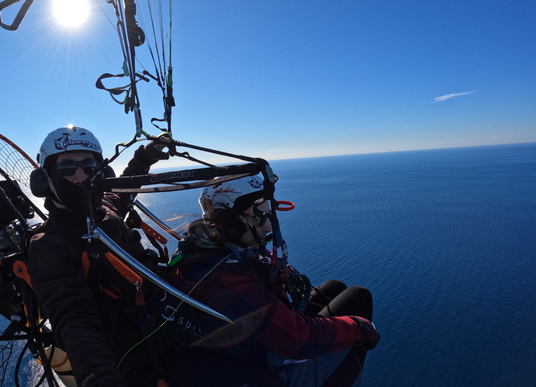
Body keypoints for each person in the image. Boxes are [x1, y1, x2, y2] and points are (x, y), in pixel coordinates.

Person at [157, 174, 380, 387]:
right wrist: (362, 329)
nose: (268, 226)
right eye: (259, 217)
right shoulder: (226, 280)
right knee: (358, 300)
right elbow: (299, 339)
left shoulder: (203, 248)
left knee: (334, 288)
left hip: (240, 342)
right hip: (266, 356)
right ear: (230, 222)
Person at [27, 125, 169, 387]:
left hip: (160, 319)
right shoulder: (50, 246)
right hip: (125, 354)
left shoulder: (106, 209)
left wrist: (146, 157)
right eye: (67, 168)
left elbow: (128, 184)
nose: (81, 177)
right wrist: (98, 378)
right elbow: (74, 319)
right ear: (44, 179)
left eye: (90, 166)